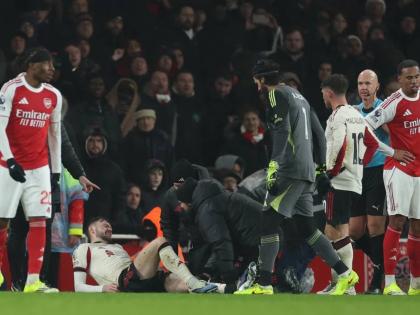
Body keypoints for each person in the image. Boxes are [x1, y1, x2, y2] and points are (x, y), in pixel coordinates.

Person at [235, 59, 358, 296]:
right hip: (307, 171)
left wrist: (274, 165)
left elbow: (281, 133)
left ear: (260, 80)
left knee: (268, 221)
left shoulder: (274, 95)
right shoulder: (299, 97)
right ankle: (345, 273)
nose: (257, 86)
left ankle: (263, 284)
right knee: (307, 228)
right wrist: (321, 169)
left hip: (290, 169)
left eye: (256, 81)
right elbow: (320, 135)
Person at [0, 47, 61, 292]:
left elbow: (54, 135)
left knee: (39, 220)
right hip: (8, 165)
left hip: (39, 167)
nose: (52, 70)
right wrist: (11, 160)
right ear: (33, 65)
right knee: (2, 222)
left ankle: (33, 281)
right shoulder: (11, 89)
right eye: (48, 64)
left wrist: (55, 170)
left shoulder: (53, 95)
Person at [318, 73, 383, 295]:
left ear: (328, 93)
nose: (323, 98)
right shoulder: (355, 114)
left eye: (323, 94)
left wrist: (329, 173)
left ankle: (346, 282)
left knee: (338, 232)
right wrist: (359, 164)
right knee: (332, 231)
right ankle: (340, 282)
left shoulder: (337, 116)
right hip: (353, 179)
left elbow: (339, 146)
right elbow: (373, 144)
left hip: (339, 180)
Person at [364, 59, 420, 296]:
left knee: (417, 226)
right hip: (399, 169)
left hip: (419, 170)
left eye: (417, 77)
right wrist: (391, 151)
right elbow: (365, 126)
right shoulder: (393, 102)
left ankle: (416, 284)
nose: (414, 81)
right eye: (409, 78)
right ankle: (390, 284)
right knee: (397, 221)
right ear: (400, 79)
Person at [72, 217, 218, 293]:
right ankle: (192, 281)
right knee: (160, 241)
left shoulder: (116, 247)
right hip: (126, 281)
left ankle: (227, 288)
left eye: (109, 225)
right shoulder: (84, 248)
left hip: (139, 279)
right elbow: (78, 286)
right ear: (91, 229)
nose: (109, 226)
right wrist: (102, 289)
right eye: (104, 224)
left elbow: (131, 266)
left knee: (183, 284)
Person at [175, 178, 260, 293]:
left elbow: (221, 243)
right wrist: (207, 272)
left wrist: (229, 278)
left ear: (188, 202)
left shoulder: (206, 210)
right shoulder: (211, 199)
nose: (181, 207)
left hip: (261, 241)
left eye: (181, 203)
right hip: (262, 237)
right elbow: (220, 243)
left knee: (247, 287)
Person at [350, 69, 388, 294]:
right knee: (354, 230)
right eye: (360, 83)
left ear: (377, 86)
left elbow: (394, 137)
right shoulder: (353, 111)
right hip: (357, 173)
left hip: (378, 171)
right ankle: (382, 263)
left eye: (368, 83)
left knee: (375, 227)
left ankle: (376, 283)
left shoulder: (384, 110)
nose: (363, 87)